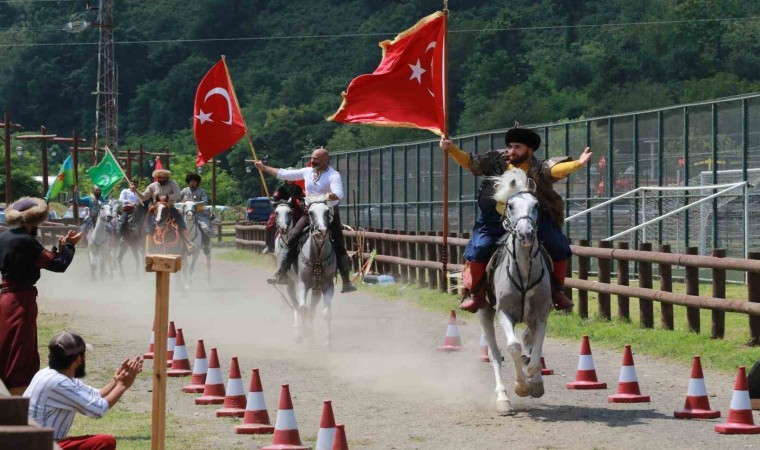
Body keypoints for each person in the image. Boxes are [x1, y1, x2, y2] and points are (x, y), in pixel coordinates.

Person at [440, 127, 592, 313]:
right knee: (479, 247)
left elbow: (555, 170)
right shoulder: (496, 160)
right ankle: (475, 293)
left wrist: (578, 163)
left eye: (517, 147)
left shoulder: (539, 167)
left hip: (531, 217)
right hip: (497, 216)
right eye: (510, 146)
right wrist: (451, 149)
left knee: (559, 246)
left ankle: (556, 291)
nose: (512, 151)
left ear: (529, 150)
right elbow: (471, 161)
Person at [0, 197, 81, 395]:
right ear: (33, 221)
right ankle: (18, 400)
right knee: (21, 353)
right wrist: (69, 246)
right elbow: (58, 265)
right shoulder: (26, 240)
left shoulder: (5, 236)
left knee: (6, 348)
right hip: (21, 301)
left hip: (4, 298)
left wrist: (59, 249)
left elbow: (38, 259)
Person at [254, 147, 357, 293]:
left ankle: (346, 282)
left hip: (329, 213)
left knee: (340, 246)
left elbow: (338, 194)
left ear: (325, 160)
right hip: (309, 212)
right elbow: (284, 173)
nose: (312, 161)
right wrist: (264, 168)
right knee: (292, 239)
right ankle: (282, 274)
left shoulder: (333, 175)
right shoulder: (307, 171)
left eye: (316, 159)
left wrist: (321, 198)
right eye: (312, 158)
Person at [24, 331, 142, 450]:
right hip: (40, 445)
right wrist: (122, 386)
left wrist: (116, 381)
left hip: (39, 443)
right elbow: (98, 410)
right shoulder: (58, 382)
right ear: (78, 359)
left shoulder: (50, 374)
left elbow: (95, 395)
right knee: (105, 442)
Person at [129, 168, 194, 250]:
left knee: (181, 223)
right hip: (155, 210)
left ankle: (189, 243)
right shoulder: (152, 185)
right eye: (160, 177)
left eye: (164, 178)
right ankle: (147, 250)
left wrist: (167, 197)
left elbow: (178, 194)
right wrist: (136, 191)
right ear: (157, 177)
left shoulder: (172, 183)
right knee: (148, 228)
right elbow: (143, 197)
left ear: (167, 178)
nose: (162, 179)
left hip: (170, 209)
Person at [263, 177, 305, 254]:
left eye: (291, 177)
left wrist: (301, 202)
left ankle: (303, 244)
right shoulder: (281, 187)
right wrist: (280, 202)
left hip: (295, 208)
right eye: (288, 177)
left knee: (304, 222)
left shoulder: (298, 188)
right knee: (270, 225)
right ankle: (268, 246)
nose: (290, 179)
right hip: (281, 207)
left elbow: (302, 197)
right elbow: (275, 198)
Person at [180, 173, 213, 255]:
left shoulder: (202, 191)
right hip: (186, 214)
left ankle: (206, 245)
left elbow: (205, 201)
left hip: (199, 214)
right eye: (191, 181)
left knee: (206, 228)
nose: (193, 183)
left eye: (194, 181)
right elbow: (178, 199)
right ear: (188, 182)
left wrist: (194, 203)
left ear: (197, 182)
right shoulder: (184, 191)